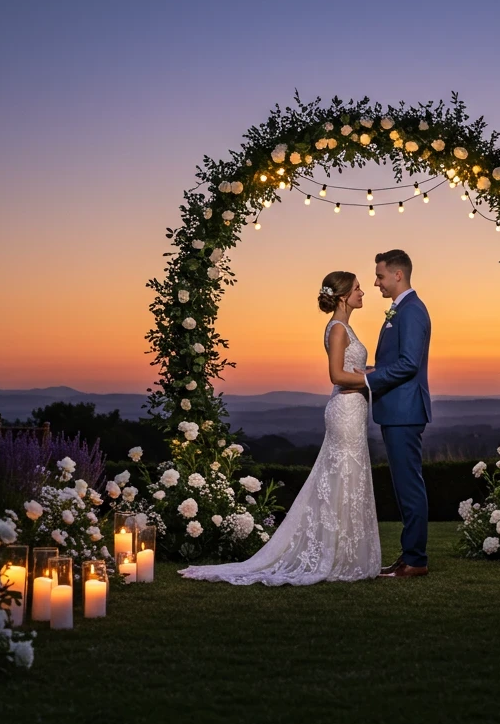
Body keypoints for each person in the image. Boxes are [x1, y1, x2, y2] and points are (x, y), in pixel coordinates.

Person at [179, 271, 381, 585]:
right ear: (343, 296)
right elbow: (336, 376)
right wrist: (372, 378)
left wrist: (371, 370)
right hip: (345, 407)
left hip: (354, 408)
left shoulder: (345, 327)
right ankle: (334, 556)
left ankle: (345, 553)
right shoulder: (338, 329)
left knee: (347, 479)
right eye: (357, 288)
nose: (362, 292)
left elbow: (350, 370)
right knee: (342, 476)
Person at [366, 249, 432, 578]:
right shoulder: (401, 310)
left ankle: (416, 560)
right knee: (404, 486)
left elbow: (408, 364)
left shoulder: (412, 311)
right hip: (396, 410)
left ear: (397, 275)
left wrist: (367, 379)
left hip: (404, 410)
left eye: (379, 276)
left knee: (409, 487)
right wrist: (365, 370)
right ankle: (409, 555)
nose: (375, 282)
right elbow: (396, 362)